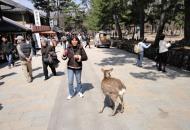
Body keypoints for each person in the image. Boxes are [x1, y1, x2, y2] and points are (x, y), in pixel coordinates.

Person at [65, 35, 88, 100]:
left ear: (77, 41)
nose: (74, 41)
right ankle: (71, 93)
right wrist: (64, 55)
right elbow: (65, 57)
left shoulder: (80, 48)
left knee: (78, 81)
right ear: (71, 41)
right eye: (73, 40)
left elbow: (85, 57)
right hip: (70, 67)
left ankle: (80, 91)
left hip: (78, 67)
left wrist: (80, 57)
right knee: (70, 82)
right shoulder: (68, 48)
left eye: (75, 40)